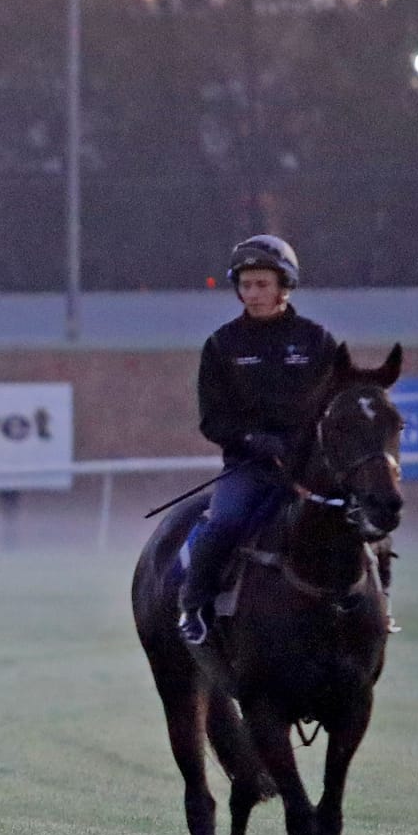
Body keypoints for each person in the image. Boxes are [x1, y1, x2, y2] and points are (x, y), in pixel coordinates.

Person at [176, 234, 338, 645]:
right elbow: (211, 420)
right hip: (249, 468)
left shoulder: (316, 341)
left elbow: (335, 407)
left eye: (262, 284)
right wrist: (252, 440)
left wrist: (305, 445)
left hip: (307, 467)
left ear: (285, 285)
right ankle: (194, 606)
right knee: (225, 520)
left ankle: (370, 600)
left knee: (352, 516)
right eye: (245, 285)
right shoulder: (221, 345)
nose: (253, 294)